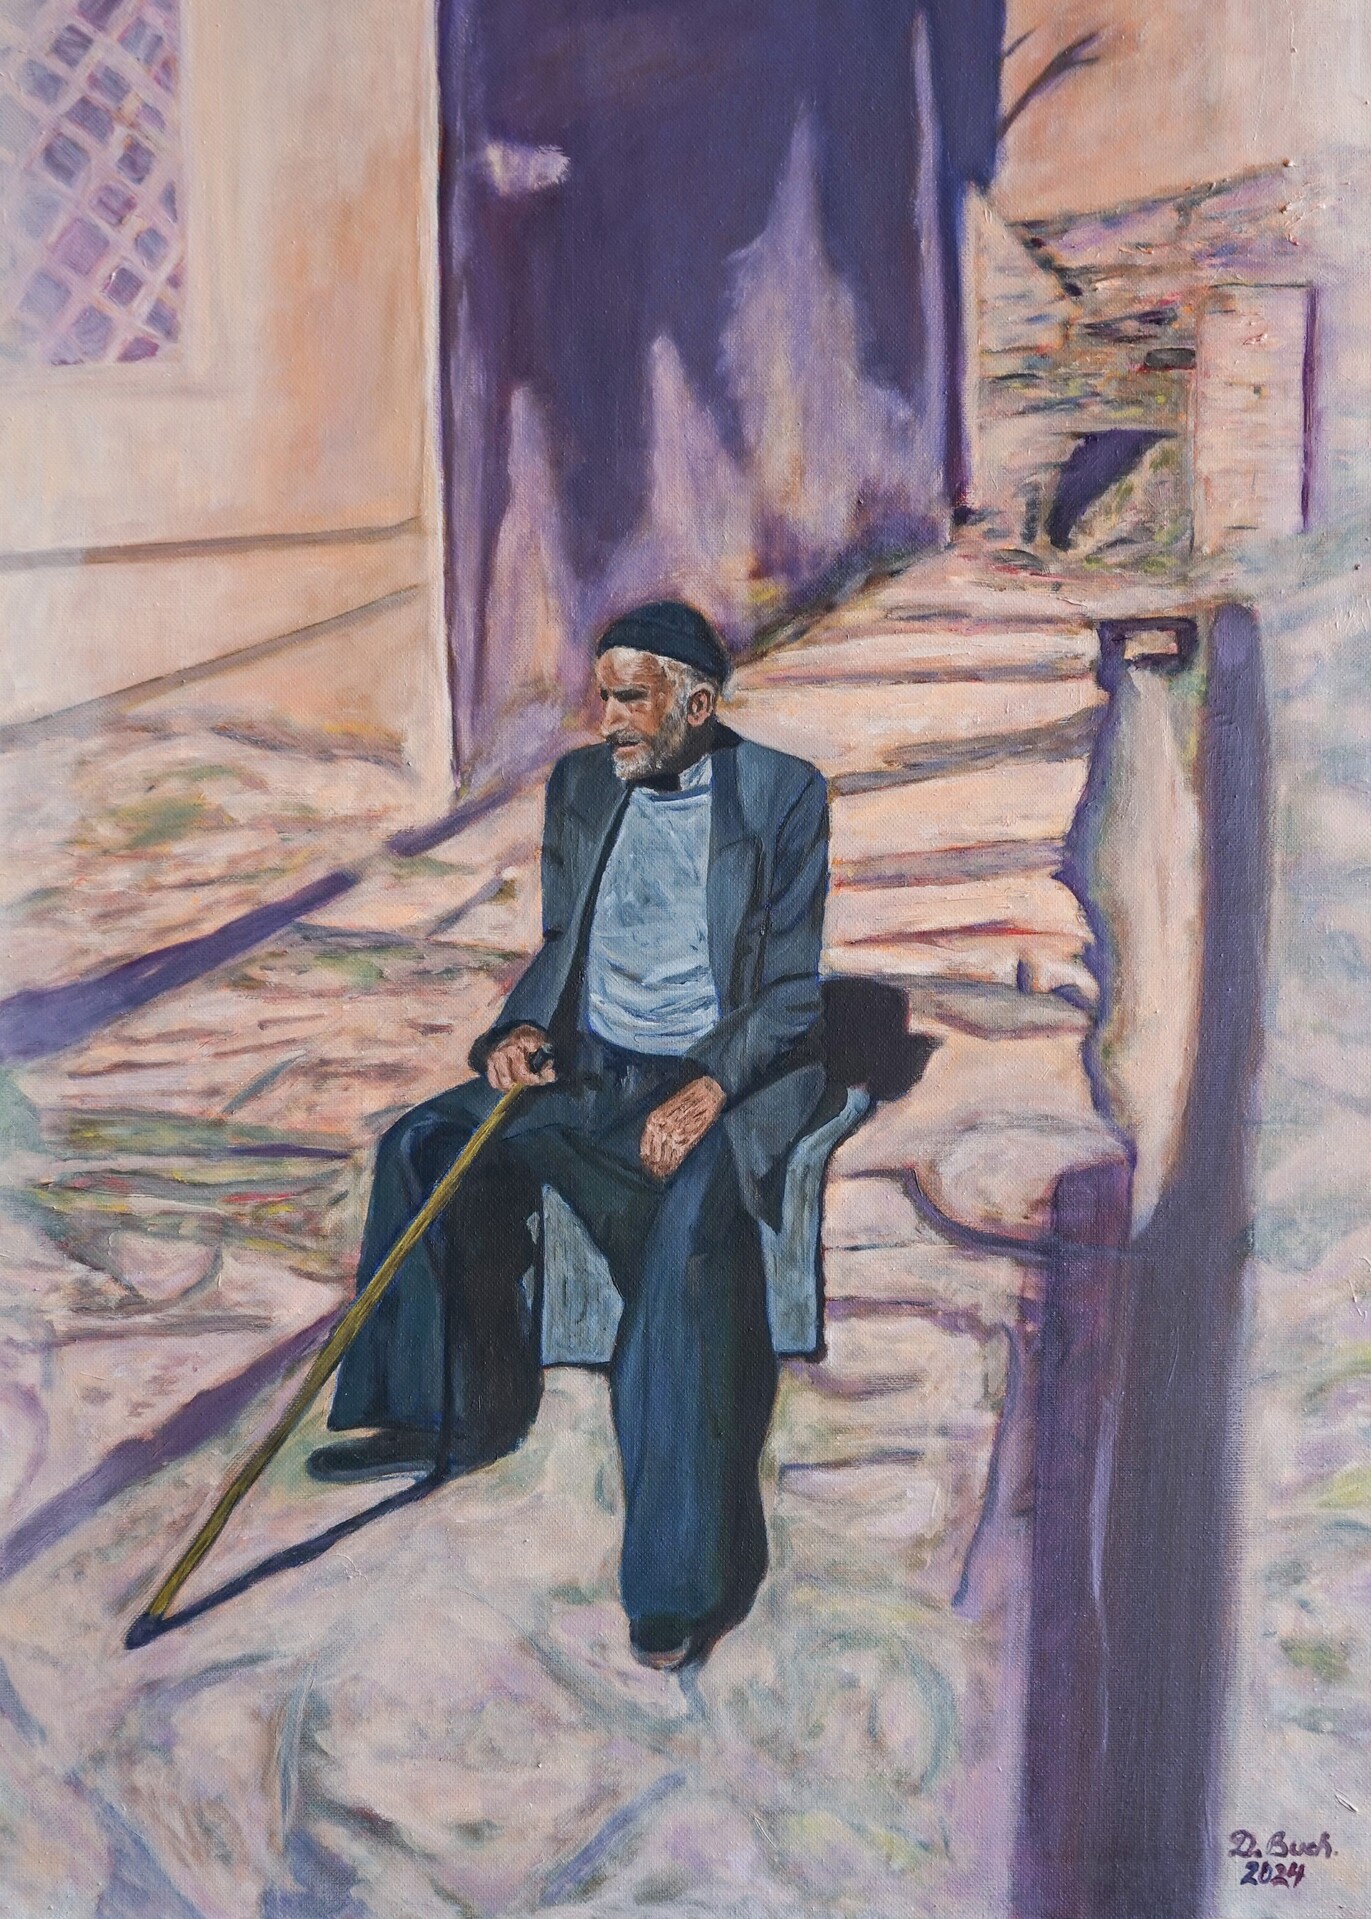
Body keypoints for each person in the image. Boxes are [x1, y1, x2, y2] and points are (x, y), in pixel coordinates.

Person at [309, 600, 829, 1670]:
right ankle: (442, 1411)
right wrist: (516, 1032)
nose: (608, 721)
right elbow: (559, 944)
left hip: (709, 1080)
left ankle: (677, 1581)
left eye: (630, 700)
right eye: (603, 699)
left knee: (686, 1261)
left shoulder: (782, 794)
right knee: (425, 1143)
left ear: (697, 703)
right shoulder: (584, 787)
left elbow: (789, 996)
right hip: (593, 1068)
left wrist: (709, 1090)